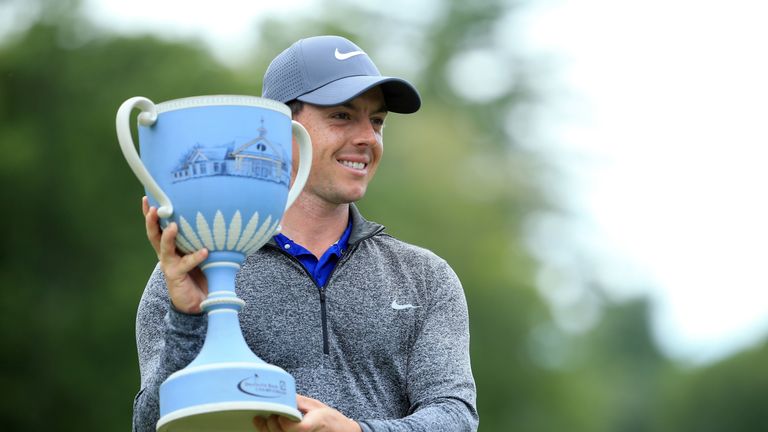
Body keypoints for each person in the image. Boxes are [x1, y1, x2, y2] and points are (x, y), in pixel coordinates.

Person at [133, 35, 478, 432]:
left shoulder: (424, 277)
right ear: (283, 130)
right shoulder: (191, 270)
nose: (368, 137)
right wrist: (187, 320)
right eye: (343, 116)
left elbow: (456, 418)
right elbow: (149, 426)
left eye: (377, 121)